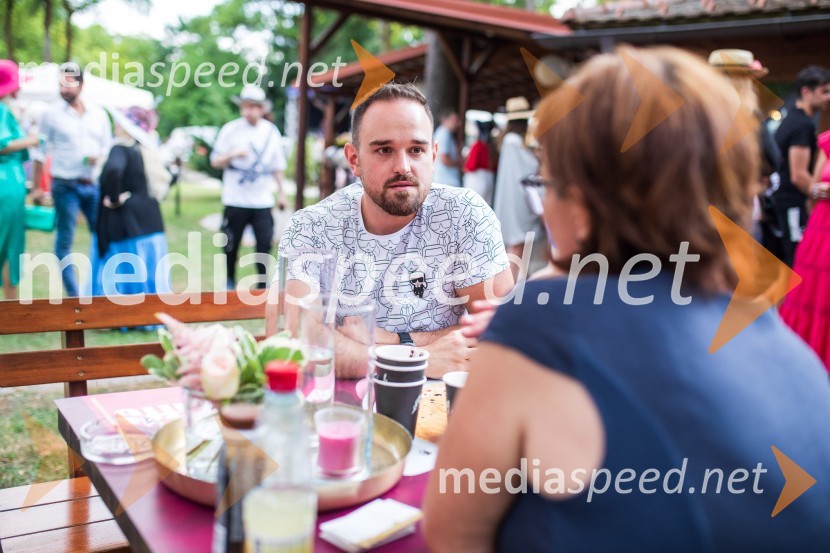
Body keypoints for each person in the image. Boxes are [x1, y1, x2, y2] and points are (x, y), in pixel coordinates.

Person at [424, 46, 830, 552]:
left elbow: (448, 535)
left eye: (548, 182)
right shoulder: (779, 339)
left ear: (586, 199)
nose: (543, 203)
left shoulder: (542, 320)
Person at [272, 83, 514, 378]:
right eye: (384, 150)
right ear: (354, 160)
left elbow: (506, 334)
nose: (403, 166)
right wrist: (419, 356)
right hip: (341, 414)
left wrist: (390, 340)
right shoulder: (311, 228)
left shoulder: (464, 214)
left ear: (433, 156)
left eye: (416, 150)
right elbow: (298, 342)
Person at [32, 62, 112, 298]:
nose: (63, 89)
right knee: (65, 241)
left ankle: (100, 290)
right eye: (60, 84)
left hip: (93, 185)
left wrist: (100, 157)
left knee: (103, 235)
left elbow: (108, 147)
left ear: (82, 84)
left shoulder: (98, 113)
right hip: (65, 186)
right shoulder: (50, 114)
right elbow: (39, 151)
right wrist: (37, 186)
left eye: (68, 84)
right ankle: (75, 297)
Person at [211, 85, 287, 290]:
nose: (249, 111)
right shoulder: (230, 129)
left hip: (262, 200)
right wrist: (233, 155)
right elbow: (215, 161)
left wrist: (281, 192)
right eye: (246, 106)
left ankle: (262, 284)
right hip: (235, 198)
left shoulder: (271, 132)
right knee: (231, 243)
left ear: (262, 108)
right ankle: (229, 280)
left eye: (254, 107)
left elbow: (277, 166)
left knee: (264, 243)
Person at [90, 107, 170, 297]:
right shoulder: (148, 150)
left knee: (124, 268)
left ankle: (121, 312)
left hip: (125, 225)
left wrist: (115, 198)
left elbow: (113, 171)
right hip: (150, 223)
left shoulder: (120, 148)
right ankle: (148, 314)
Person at [780, 129, 830, 370]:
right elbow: (814, 184)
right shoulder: (827, 140)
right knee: (813, 292)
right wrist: (816, 190)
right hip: (820, 230)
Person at [772, 65, 830, 266]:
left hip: (786, 201)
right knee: (795, 257)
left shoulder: (793, 119)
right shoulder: (802, 125)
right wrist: (816, 197)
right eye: (824, 91)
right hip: (792, 203)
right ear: (806, 91)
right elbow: (799, 176)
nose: (828, 97)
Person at [0, 60, 39, 300]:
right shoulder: (3, 109)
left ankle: (11, 304)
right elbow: (2, 144)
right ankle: (11, 305)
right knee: (10, 241)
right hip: (7, 183)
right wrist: (32, 140)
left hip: (10, 181)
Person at [492, 96, 543, 279]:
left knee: (520, 243)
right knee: (517, 243)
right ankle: (509, 285)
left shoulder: (509, 140)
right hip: (517, 198)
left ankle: (520, 281)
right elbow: (530, 165)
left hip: (512, 195)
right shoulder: (514, 141)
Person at [463, 120, 496, 205]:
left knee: (473, 206)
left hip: (477, 178)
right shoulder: (492, 147)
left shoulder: (478, 145)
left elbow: (471, 166)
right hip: (489, 178)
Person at [432, 109, 462, 187]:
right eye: (454, 119)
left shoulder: (445, 133)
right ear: (445, 120)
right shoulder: (444, 132)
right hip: (446, 180)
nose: (457, 123)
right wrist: (459, 163)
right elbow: (443, 158)